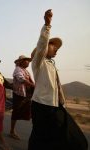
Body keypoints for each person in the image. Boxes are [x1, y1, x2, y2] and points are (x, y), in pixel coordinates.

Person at [28, 9, 88, 150]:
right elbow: (42, 43)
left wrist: (62, 102)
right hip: (42, 106)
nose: (56, 49)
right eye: (52, 44)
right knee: (40, 137)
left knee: (73, 138)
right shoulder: (38, 62)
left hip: (55, 106)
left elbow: (57, 87)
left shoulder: (51, 65)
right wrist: (47, 25)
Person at [10, 55, 34, 140]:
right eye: (26, 60)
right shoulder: (18, 69)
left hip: (27, 95)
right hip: (19, 94)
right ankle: (12, 131)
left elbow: (30, 80)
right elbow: (21, 79)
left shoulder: (26, 71)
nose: (28, 62)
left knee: (30, 111)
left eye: (28, 61)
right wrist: (32, 85)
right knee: (16, 112)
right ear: (21, 62)